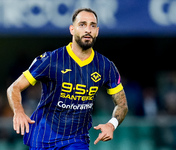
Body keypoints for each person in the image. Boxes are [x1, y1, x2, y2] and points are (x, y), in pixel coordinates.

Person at [7, 8, 128, 150]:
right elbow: (14, 87)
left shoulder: (106, 66)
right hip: (44, 136)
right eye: (82, 24)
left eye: (92, 25)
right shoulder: (51, 60)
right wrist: (19, 111)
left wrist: (111, 124)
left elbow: (122, 105)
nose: (88, 30)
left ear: (97, 31)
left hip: (76, 139)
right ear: (72, 29)